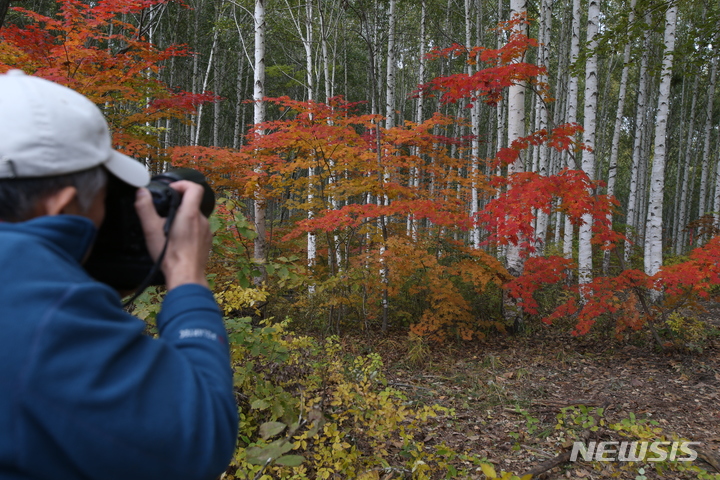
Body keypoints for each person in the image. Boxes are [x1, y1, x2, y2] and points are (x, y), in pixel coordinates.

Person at [0, 70, 238, 479]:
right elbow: (195, 440)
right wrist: (186, 277)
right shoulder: (41, 309)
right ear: (62, 205)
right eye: (103, 200)